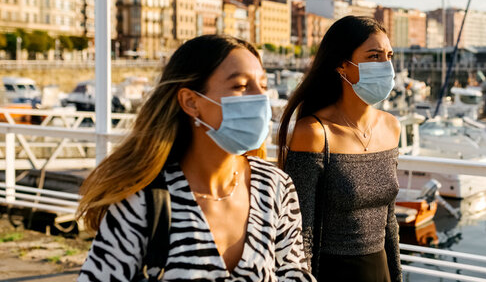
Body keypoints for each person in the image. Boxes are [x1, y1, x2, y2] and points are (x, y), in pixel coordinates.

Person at [77, 35, 314, 281]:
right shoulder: (146, 200)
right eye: (241, 86)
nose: (261, 98)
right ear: (191, 102)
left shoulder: (274, 186)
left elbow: (294, 274)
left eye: (263, 86)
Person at [278, 16, 402, 281]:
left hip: (381, 272)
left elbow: (389, 223)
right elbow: (301, 232)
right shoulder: (313, 133)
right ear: (342, 66)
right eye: (374, 56)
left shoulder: (392, 128)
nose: (386, 66)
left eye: (389, 56)